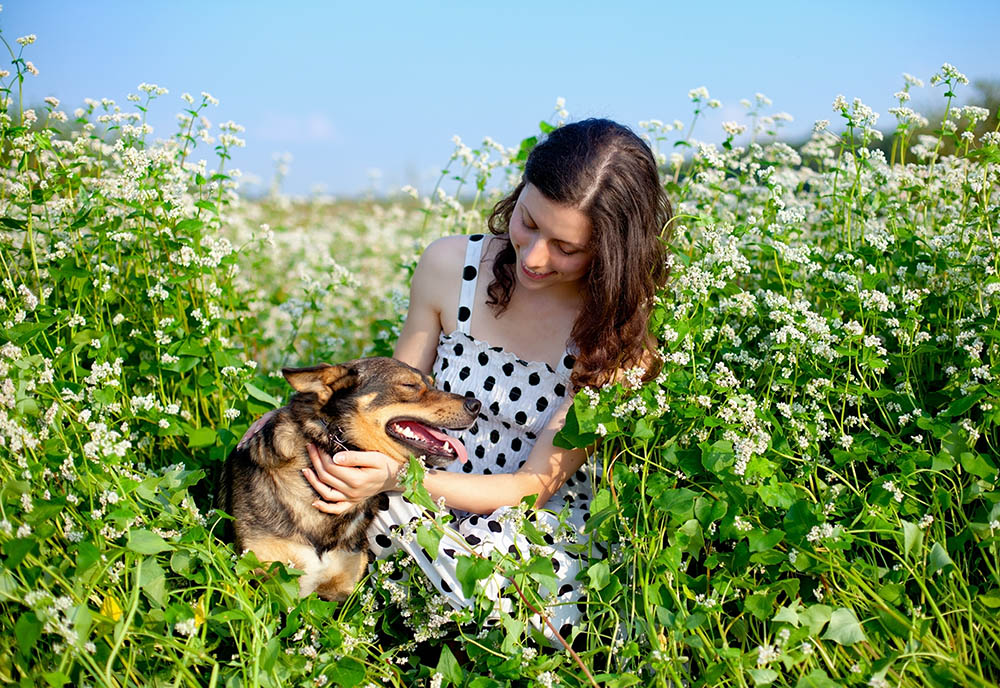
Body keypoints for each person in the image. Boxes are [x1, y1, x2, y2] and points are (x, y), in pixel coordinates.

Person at [251, 118, 672, 641]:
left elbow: (531, 488)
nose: (535, 257)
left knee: (501, 581)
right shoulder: (450, 265)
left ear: (611, 252)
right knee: (307, 495)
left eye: (566, 248)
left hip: (519, 518)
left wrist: (398, 482)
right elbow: (395, 400)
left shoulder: (618, 334)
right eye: (528, 222)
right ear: (518, 194)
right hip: (413, 476)